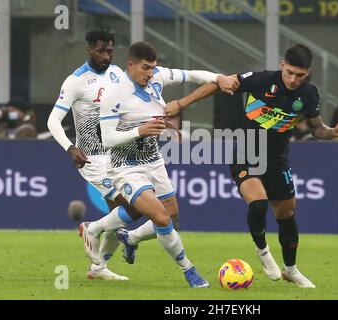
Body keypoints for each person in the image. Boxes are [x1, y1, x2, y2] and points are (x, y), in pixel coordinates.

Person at [165, 44, 338, 288]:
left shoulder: (309, 94)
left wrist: (333, 132)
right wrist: (181, 103)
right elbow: (219, 82)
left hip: (277, 160)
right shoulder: (261, 80)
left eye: (300, 75)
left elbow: (317, 128)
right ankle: (263, 251)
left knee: (286, 215)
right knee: (257, 203)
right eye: (289, 72)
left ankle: (291, 269)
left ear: (307, 72)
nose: (293, 79)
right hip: (246, 152)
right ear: (282, 66)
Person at [81, 41, 238, 287]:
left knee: (171, 222)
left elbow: (192, 75)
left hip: (154, 162)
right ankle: (189, 270)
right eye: (146, 68)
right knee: (162, 219)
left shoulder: (157, 78)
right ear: (130, 65)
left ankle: (121, 235)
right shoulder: (114, 94)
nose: (151, 73)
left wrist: (218, 77)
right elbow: (108, 138)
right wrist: (140, 131)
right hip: (126, 166)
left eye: (153, 67)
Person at [47, 27, 137, 280]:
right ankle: (89, 229)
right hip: (92, 158)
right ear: (89, 49)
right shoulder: (76, 80)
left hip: (117, 155)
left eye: (110, 50)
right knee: (130, 208)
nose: (107, 55)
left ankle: (98, 268)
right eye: (101, 50)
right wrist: (70, 147)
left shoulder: (118, 74)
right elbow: (53, 120)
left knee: (119, 216)